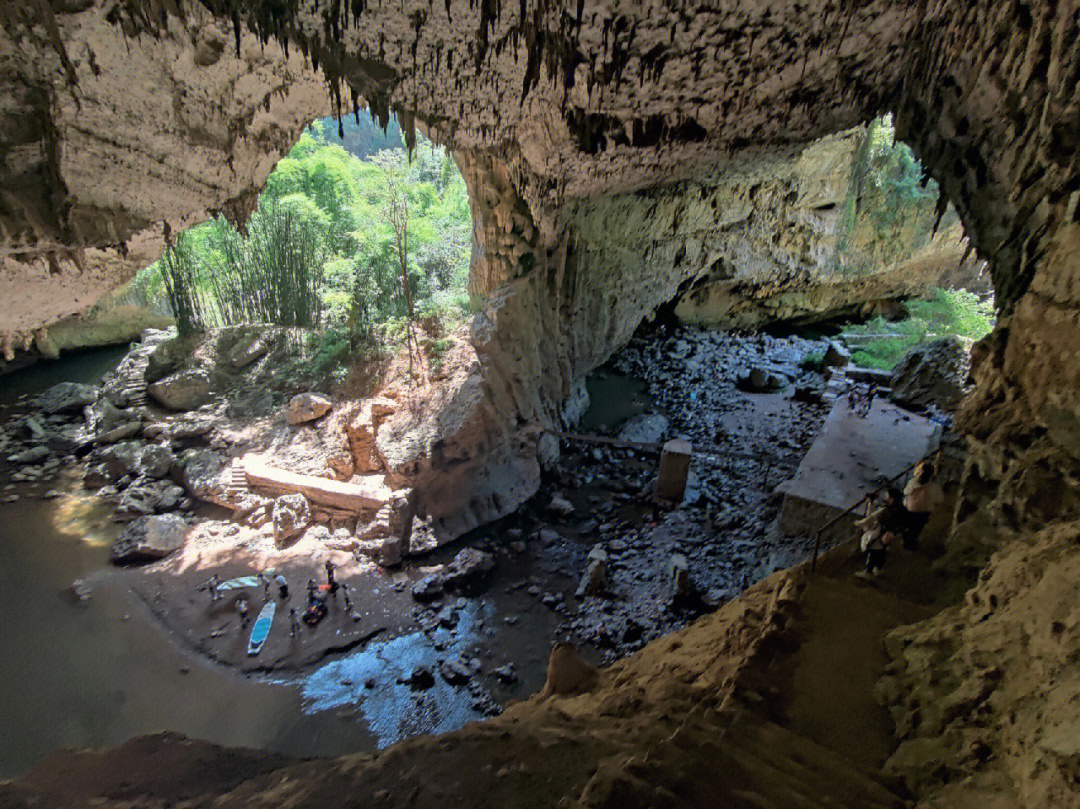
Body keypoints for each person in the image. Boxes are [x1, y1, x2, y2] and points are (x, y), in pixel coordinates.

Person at [854, 490, 901, 580]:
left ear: (891, 499)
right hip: (887, 533)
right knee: (882, 551)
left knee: (873, 551)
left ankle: (868, 571)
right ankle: (878, 568)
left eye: (887, 496)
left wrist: (859, 523)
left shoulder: (885, 510)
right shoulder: (897, 509)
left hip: (878, 533)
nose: (885, 498)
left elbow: (871, 518)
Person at [902, 459, 944, 549]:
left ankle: (906, 540)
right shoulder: (933, 487)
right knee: (917, 528)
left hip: (911, 510)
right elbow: (939, 499)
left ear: (921, 472)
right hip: (924, 512)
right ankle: (912, 541)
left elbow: (905, 492)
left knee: (909, 525)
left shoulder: (912, 482)